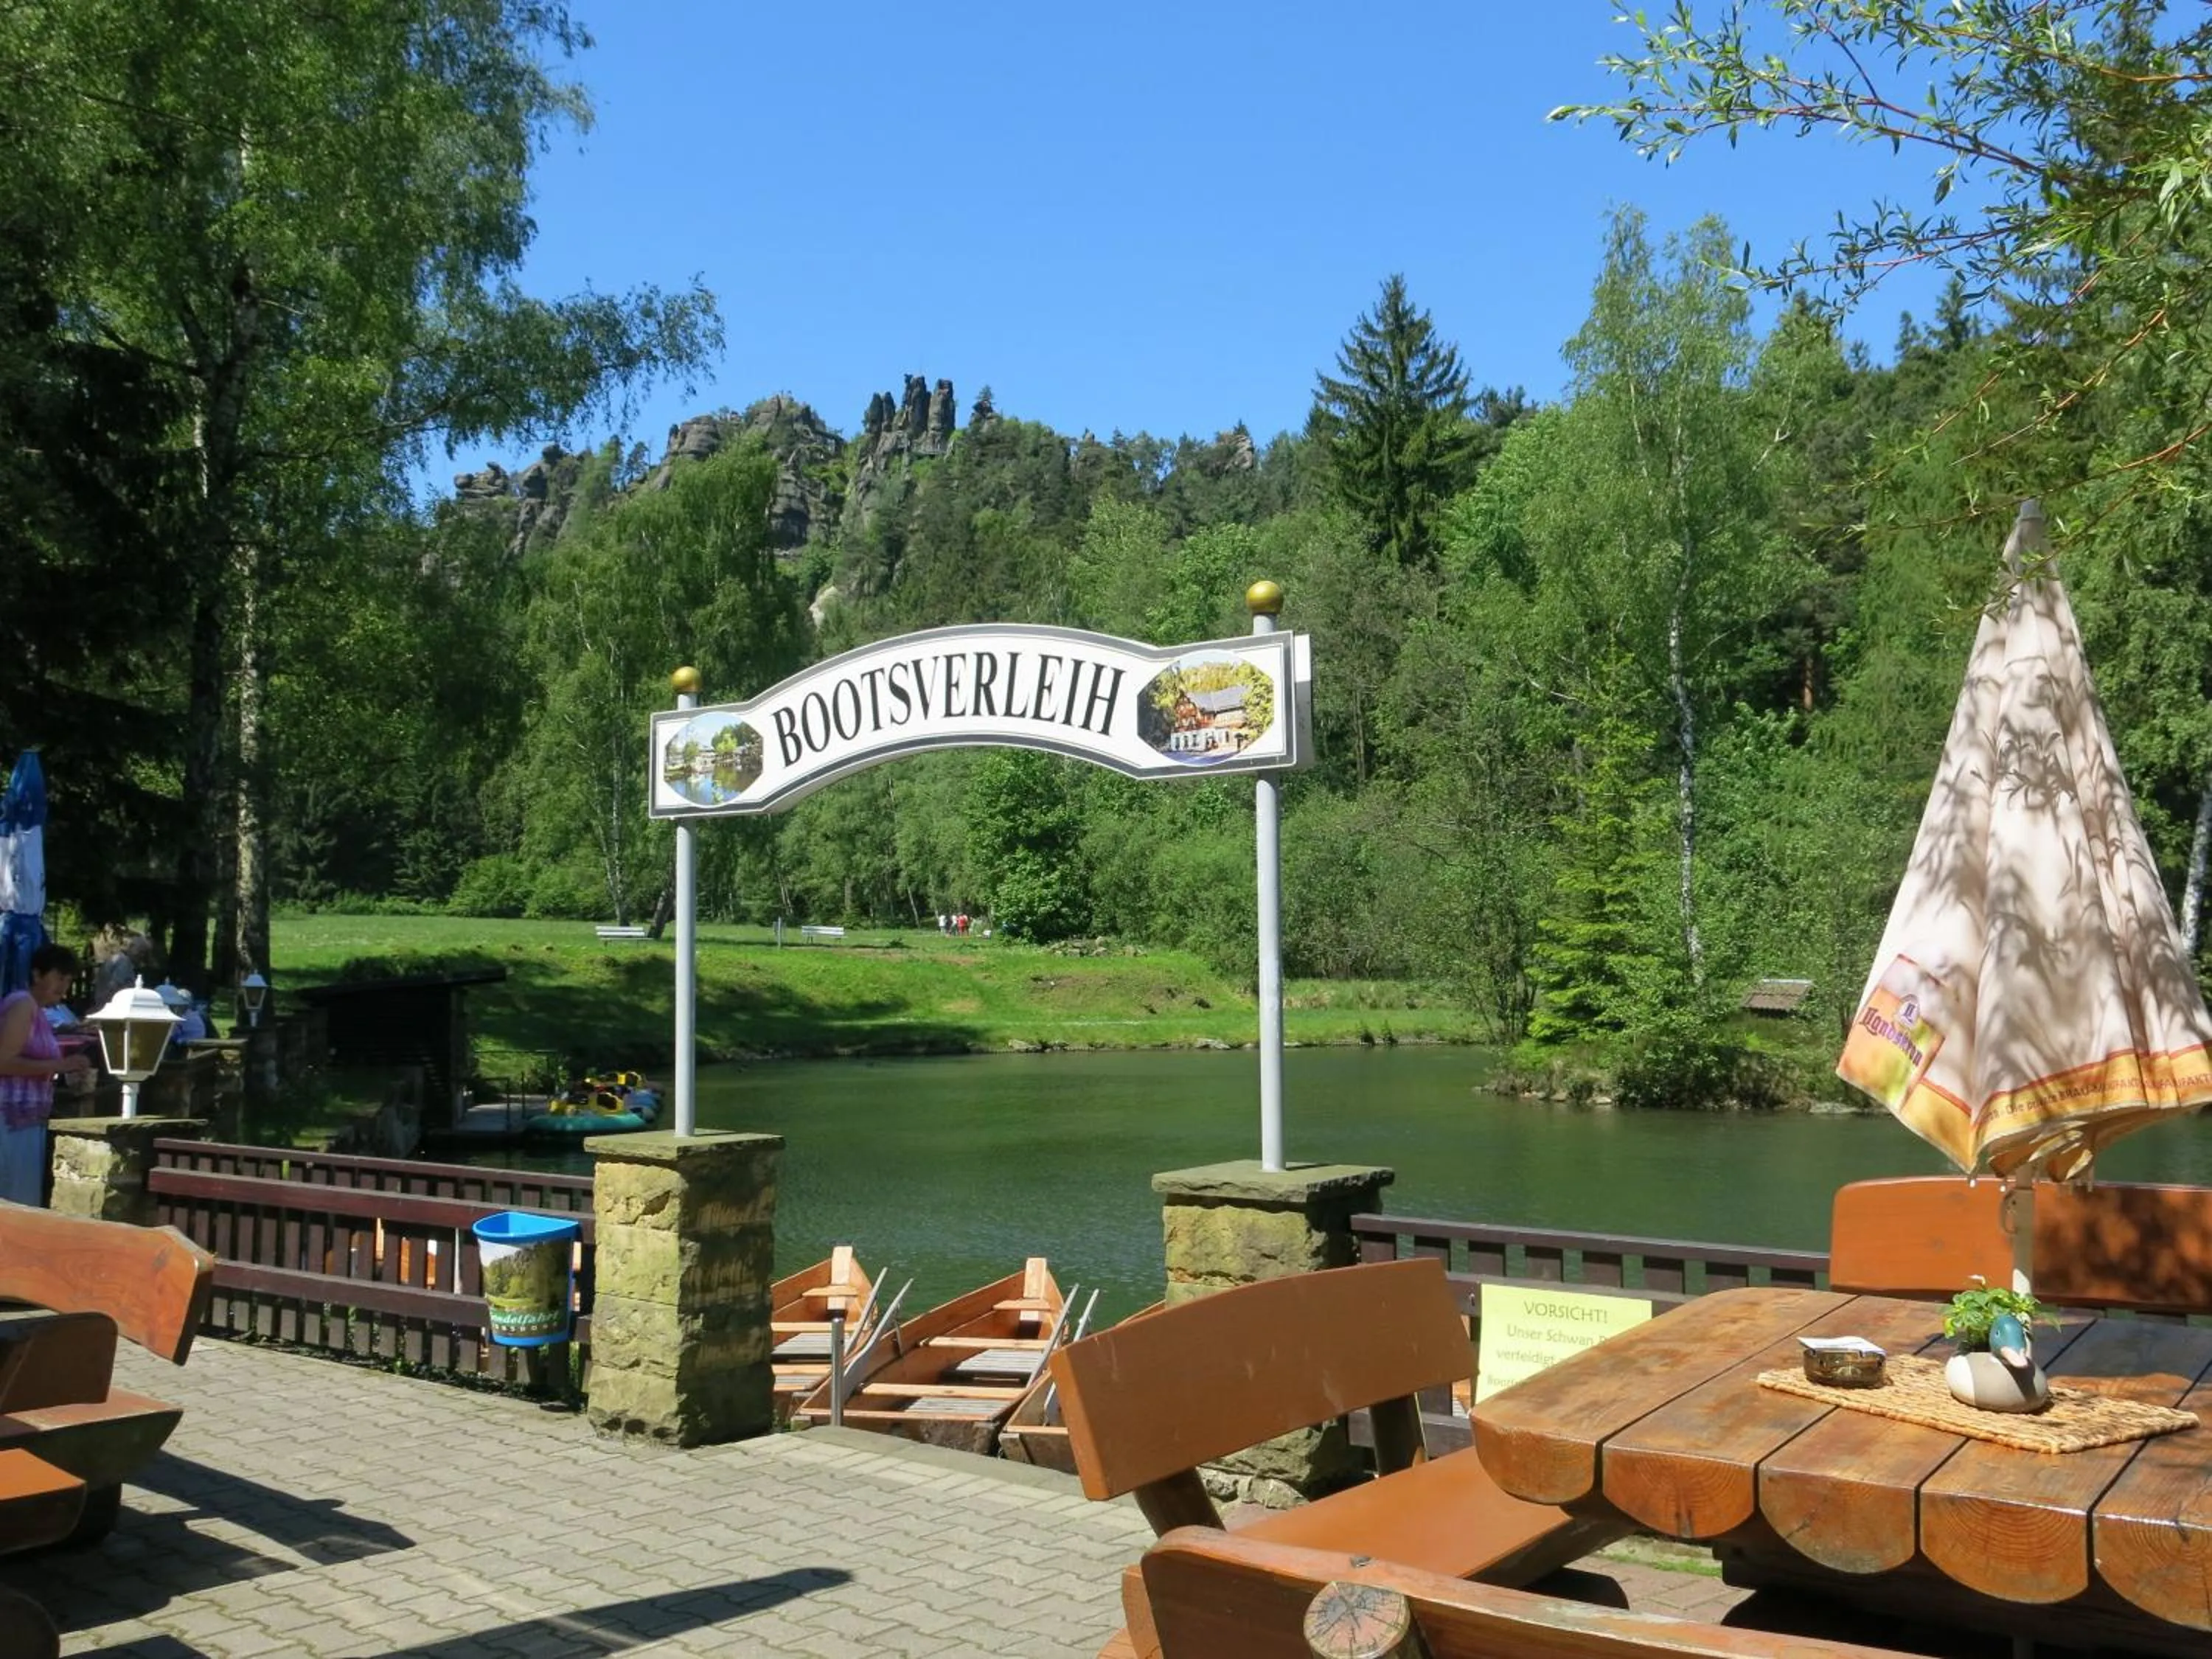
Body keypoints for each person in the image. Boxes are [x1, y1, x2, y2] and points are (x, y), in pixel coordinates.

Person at [0, 942, 92, 1206]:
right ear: (37, 975)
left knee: (21, 1205)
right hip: (8, 1119)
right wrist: (58, 1066)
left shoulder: (38, 1012)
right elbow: (3, 1062)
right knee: (13, 1206)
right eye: (59, 977)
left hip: (26, 1119)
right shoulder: (22, 1004)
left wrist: (67, 1072)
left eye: (69, 980)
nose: (64, 986)